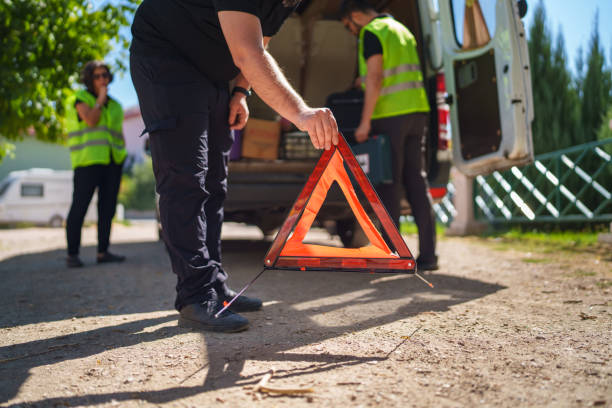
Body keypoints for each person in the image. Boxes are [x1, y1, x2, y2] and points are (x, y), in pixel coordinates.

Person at [130, 0, 339, 333]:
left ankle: (214, 287)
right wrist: (299, 113)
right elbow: (247, 53)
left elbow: (261, 41)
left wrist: (241, 91)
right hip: (166, 56)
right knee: (186, 179)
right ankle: (195, 295)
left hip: (212, 72)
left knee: (215, 181)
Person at [339, 0, 438, 271]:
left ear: (356, 15)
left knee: (388, 184)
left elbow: (375, 77)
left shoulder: (372, 32)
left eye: (349, 26)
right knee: (417, 181)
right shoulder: (402, 30)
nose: (352, 31)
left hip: (389, 115)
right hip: (417, 112)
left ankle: (392, 255)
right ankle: (428, 256)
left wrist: (364, 123)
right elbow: (396, 70)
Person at [64, 61, 127, 268]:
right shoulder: (80, 99)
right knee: (79, 207)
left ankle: (103, 252)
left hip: (112, 162)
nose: (102, 80)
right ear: (90, 79)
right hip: (88, 162)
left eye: (105, 75)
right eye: (97, 76)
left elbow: (118, 134)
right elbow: (91, 120)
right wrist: (99, 100)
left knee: (107, 209)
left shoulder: (117, 105)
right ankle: (72, 254)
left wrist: (121, 156)